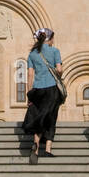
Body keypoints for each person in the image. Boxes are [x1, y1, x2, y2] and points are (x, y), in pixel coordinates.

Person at [23, 28, 63, 164]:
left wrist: (30, 94)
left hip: (38, 89)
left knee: (39, 116)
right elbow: (59, 69)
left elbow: (30, 75)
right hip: (52, 89)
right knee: (51, 117)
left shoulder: (32, 54)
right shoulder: (54, 51)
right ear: (50, 39)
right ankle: (47, 150)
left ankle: (35, 147)